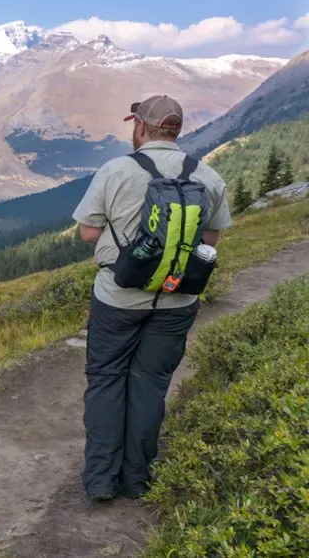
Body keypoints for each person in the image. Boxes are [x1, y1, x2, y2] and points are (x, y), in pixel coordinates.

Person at [72, 95, 231, 502]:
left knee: (107, 381)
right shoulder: (208, 176)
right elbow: (209, 239)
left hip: (118, 297)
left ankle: (101, 480)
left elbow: (89, 233)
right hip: (177, 300)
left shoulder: (117, 170)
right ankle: (137, 480)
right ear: (177, 130)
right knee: (150, 384)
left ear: (141, 127)